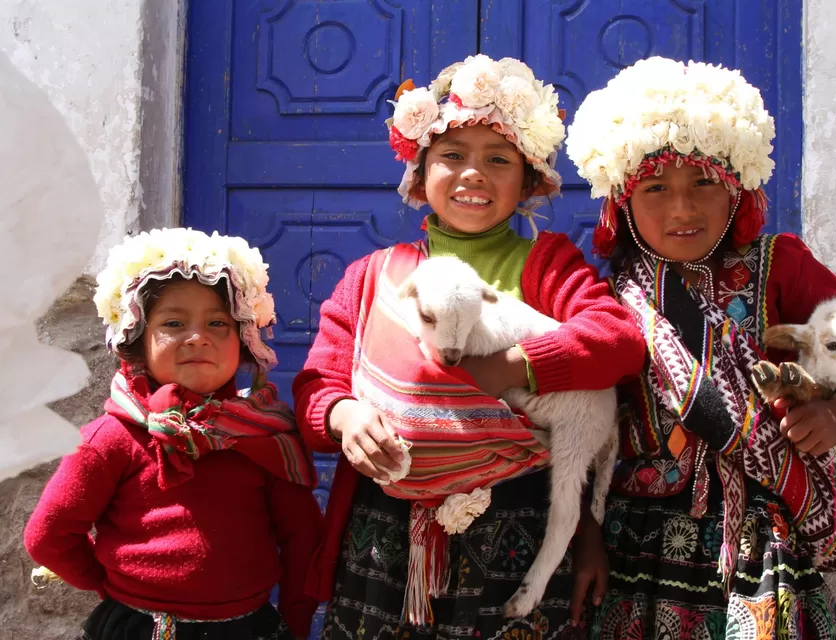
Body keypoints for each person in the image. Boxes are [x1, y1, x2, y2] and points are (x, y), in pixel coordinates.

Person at [563, 57, 836, 639]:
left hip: (758, 541)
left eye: (704, 183)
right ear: (621, 202)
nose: (682, 208)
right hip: (635, 544)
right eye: (656, 188)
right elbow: (580, 434)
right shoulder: (609, 297)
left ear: (737, 190)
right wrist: (585, 539)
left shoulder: (781, 265)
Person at [293, 54, 646, 640]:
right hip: (387, 539)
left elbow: (618, 341)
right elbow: (317, 384)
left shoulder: (547, 266)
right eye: (452, 156)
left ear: (530, 180)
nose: (473, 174)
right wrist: (343, 414)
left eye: (498, 160)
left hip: (520, 522)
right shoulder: (374, 277)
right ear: (420, 171)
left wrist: (509, 365)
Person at [24, 228, 323, 640]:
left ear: (245, 339)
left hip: (248, 629)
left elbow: (302, 538)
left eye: (218, 322)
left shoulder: (265, 434)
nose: (197, 336)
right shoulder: (111, 438)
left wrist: (296, 618)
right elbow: (48, 536)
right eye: (173, 322)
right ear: (137, 340)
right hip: (139, 628)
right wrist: (111, 587)